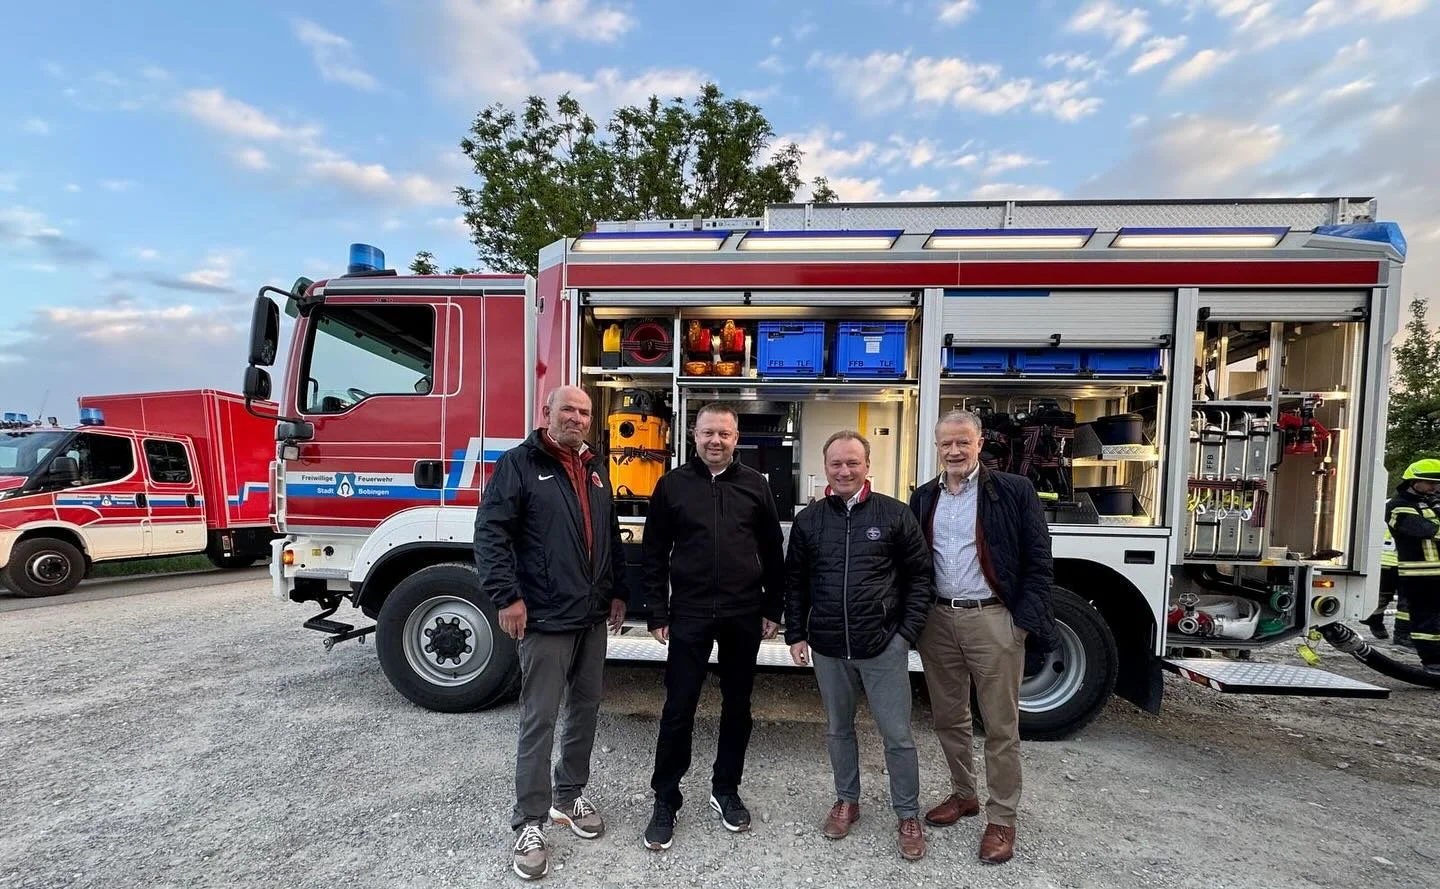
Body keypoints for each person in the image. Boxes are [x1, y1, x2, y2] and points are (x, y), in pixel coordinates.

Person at [473, 385, 628, 881]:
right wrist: (506, 597)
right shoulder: (519, 464)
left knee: (586, 707)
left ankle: (569, 796)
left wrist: (616, 592)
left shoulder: (595, 468)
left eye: (584, 411)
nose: (578, 418)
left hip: (590, 615)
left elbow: (608, 535)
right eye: (568, 410)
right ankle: (530, 821)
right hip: (543, 616)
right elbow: (490, 533)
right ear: (548, 413)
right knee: (539, 718)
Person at [909, 410, 1057, 866]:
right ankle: (963, 794)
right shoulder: (923, 497)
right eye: (946, 444)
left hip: (993, 619)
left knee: (999, 725)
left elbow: (1038, 560)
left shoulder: (1013, 491)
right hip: (939, 620)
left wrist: (1021, 623)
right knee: (948, 719)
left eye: (963, 443)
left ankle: (1002, 817)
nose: (954, 451)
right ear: (937, 447)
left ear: (978, 444)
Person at [641, 402, 786, 851]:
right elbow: (653, 551)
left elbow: (772, 550)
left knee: (738, 706)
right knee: (678, 707)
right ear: (695, 436)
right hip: (689, 612)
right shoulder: (672, 485)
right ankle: (666, 799)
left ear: (736, 437)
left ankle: (725, 789)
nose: (715, 441)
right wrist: (658, 613)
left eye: (723, 433)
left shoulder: (755, 486)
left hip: (743, 613)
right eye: (707, 433)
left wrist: (772, 609)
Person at [784, 430, 933, 861]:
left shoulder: (894, 515)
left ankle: (907, 814)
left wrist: (905, 635)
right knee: (837, 729)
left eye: (853, 462)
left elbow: (920, 578)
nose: (844, 470)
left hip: (883, 645)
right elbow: (795, 582)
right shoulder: (810, 520)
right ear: (825, 467)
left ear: (868, 465)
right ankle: (847, 800)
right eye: (836, 463)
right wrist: (796, 633)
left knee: (898, 736)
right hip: (829, 646)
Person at [1385, 459, 1440, 675]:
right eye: (1429, 483)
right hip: (1421, 575)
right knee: (1426, 622)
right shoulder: (1398, 506)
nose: (1434, 487)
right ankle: (1433, 663)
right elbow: (1425, 530)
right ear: (1413, 481)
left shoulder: (1431, 502)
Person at [1363, 526, 1399, 640]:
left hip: (1405, 562)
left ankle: (1374, 620)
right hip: (1385, 560)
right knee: (1382, 597)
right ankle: (1374, 619)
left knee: (1406, 601)